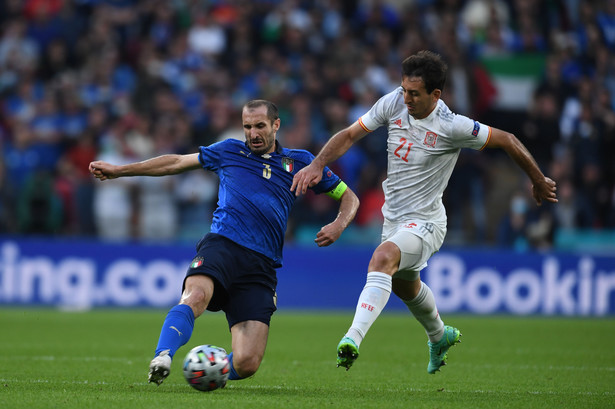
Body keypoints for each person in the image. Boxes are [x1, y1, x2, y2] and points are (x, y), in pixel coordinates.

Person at [291, 50, 558, 374]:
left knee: (381, 259)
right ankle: (439, 334)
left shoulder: (453, 126)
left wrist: (538, 180)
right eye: (404, 90)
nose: (406, 99)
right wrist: (318, 164)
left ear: (436, 94)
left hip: (427, 222)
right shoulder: (393, 102)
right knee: (405, 284)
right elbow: (349, 135)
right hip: (395, 218)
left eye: (414, 94)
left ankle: (352, 337)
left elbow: (508, 139)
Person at [89, 99, 359, 385]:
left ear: (276, 125)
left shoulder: (301, 162)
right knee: (195, 297)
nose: (253, 133)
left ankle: (209, 370)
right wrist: (121, 170)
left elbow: (349, 197)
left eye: (260, 126)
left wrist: (339, 224)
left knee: (247, 362)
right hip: (223, 245)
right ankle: (162, 356)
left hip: (261, 264)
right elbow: (177, 162)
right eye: (247, 126)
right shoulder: (230, 151)